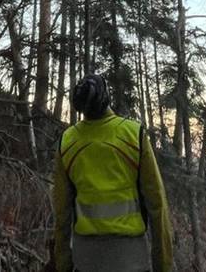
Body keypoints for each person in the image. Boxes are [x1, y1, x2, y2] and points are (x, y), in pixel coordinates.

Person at [52, 74, 174, 272]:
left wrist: (63, 264)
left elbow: (61, 211)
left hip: (86, 260)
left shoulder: (67, 142)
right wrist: (164, 265)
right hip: (131, 259)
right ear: (106, 96)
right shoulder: (134, 134)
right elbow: (157, 204)